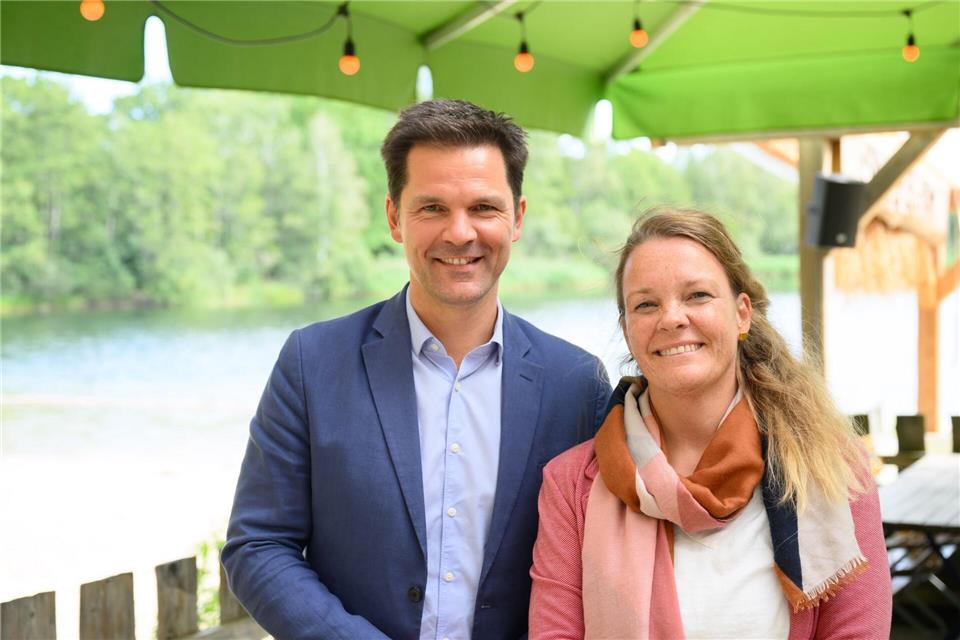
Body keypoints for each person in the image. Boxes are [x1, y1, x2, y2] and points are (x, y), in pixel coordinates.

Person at [221, 99, 611, 640]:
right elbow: (258, 545)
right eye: (431, 208)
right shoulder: (312, 363)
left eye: (483, 207)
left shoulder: (578, 384)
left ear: (517, 217)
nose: (459, 233)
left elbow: (599, 562)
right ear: (393, 217)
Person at [529, 208, 892, 639]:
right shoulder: (571, 486)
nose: (672, 318)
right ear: (627, 331)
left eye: (697, 295)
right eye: (646, 304)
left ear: (742, 313)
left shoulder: (831, 466)